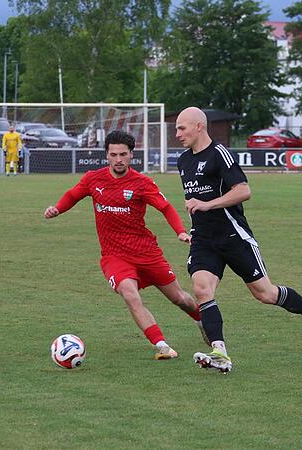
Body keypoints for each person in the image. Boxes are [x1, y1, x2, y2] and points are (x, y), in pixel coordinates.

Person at [175, 107, 302, 374]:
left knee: (265, 294)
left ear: (199, 126)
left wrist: (207, 205)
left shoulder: (220, 154)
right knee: (202, 289)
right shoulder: (183, 161)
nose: (177, 134)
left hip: (234, 236)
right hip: (204, 239)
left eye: (182, 128)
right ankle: (219, 352)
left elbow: (244, 190)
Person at [44, 130, 206, 360]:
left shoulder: (142, 183)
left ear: (131, 155)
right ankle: (161, 345)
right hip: (114, 256)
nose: (118, 159)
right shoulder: (93, 179)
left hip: (147, 252)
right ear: (107, 156)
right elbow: (73, 195)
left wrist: (180, 231)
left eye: (123, 154)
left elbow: (166, 208)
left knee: (180, 299)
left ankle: (201, 320)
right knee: (130, 294)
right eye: (113, 154)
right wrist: (57, 208)